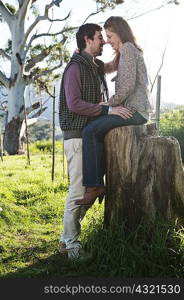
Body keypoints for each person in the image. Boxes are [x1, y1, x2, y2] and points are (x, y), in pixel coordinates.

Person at [58, 23, 125, 260]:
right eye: (100, 38)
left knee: (93, 189)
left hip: (90, 137)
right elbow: (74, 103)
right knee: (79, 189)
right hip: (76, 136)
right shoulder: (75, 68)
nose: (103, 42)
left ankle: (66, 239)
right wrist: (107, 110)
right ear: (87, 39)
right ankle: (71, 245)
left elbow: (111, 66)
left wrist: (123, 44)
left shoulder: (93, 65)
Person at [75, 16, 152, 206]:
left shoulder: (127, 50)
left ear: (120, 33)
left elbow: (126, 87)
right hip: (135, 110)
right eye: (105, 37)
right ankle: (96, 182)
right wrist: (83, 56)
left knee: (90, 131)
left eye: (109, 36)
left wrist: (107, 106)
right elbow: (108, 68)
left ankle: (94, 187)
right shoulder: (126, 51)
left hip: (135, 111)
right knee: (95, 130)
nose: (107, 41)